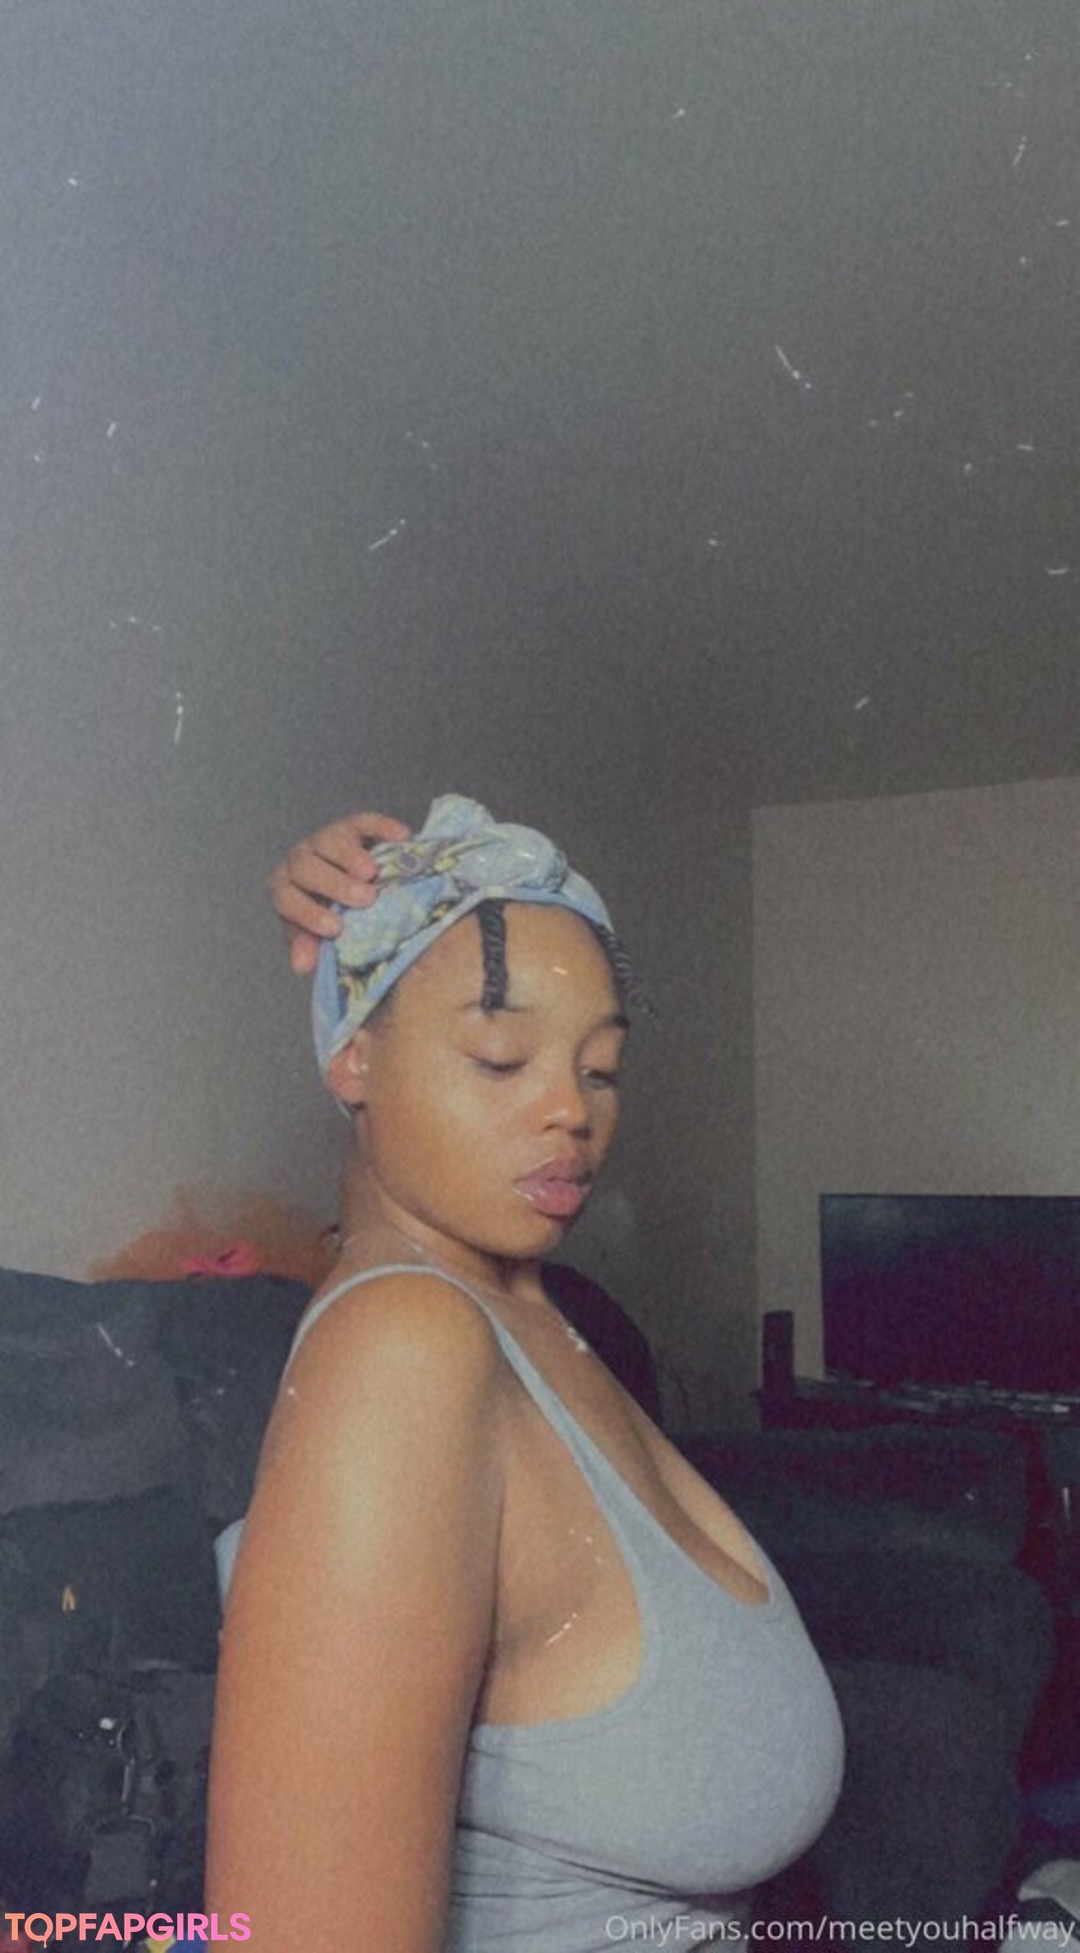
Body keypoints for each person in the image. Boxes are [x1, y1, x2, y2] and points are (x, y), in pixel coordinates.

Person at [205, 795, 844, 1952]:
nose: (570, 1112)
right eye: (501, 1057)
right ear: (353, 1057)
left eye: (601, 1068)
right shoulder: (402, 1350)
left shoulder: (531, 1311)